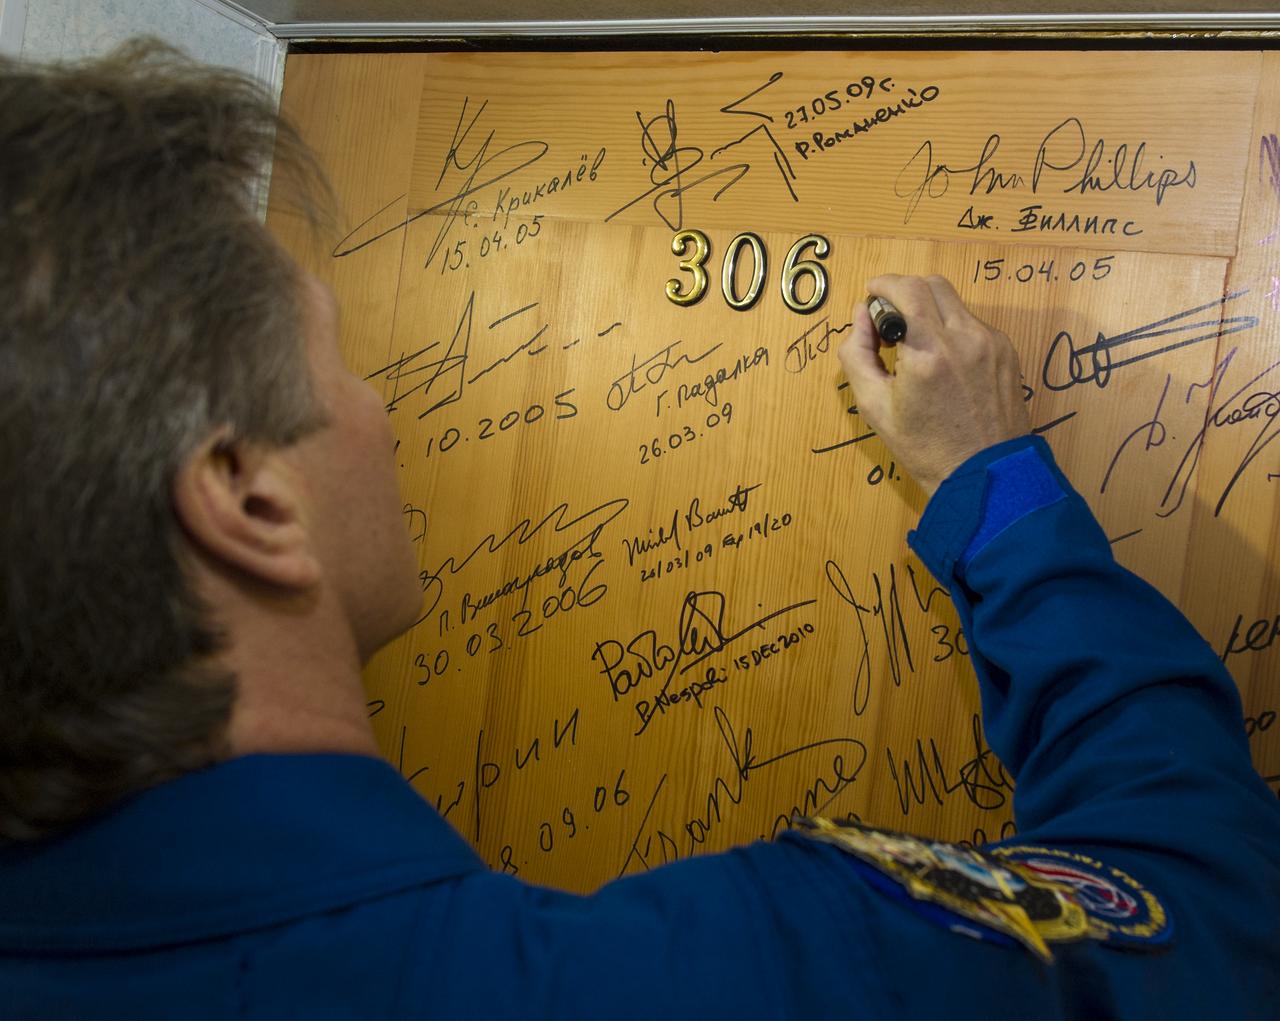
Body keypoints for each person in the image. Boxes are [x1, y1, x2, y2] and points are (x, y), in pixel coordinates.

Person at [1, 42, 1277, 1021]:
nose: (380, 405)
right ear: (251, 498)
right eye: (336, 356)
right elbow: (1209, 903)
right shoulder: (737, 976)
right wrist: (998, 490)